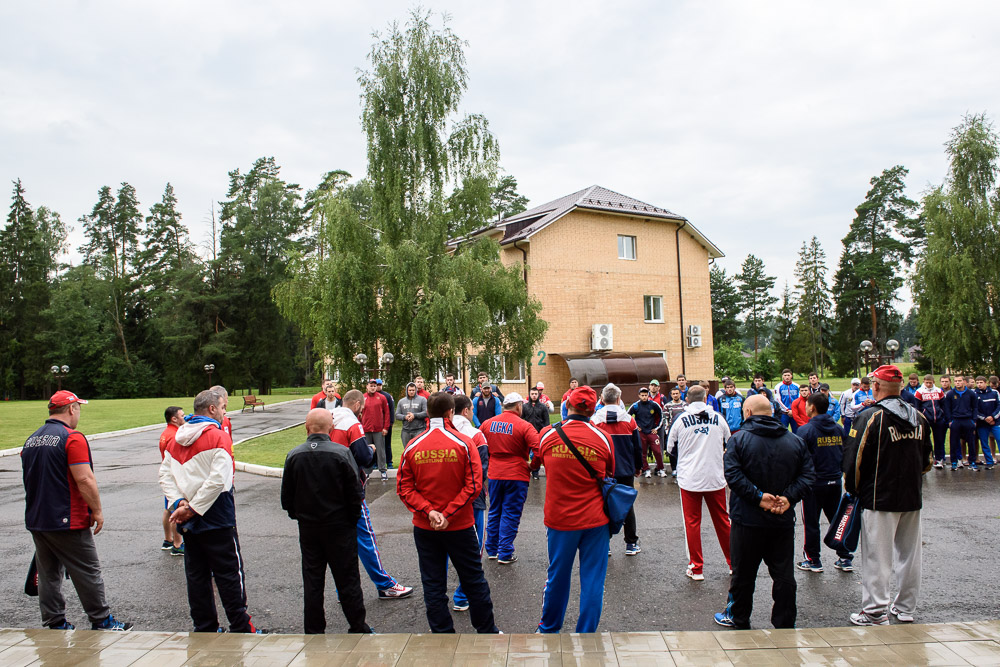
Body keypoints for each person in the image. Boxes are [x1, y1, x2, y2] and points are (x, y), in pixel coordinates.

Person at [21, 390, 133, 632]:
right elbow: (84, 479)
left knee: (48, 573)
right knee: (87, 570)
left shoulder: (31, 439)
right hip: (67, 517)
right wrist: (97, 510)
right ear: (71, 409)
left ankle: (55, 621)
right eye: (78, 408)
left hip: (37, 517)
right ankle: (102, 620)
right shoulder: (72, 438)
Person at [159, 388, 263, 633]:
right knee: (229, 573)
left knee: (197, 574)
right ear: (213, 409)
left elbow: (165, 473)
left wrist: (178, 503)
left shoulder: (175, 437)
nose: (225, 413)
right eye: (223, 408)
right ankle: (241, 627)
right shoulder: (217, 436)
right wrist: (193, 508)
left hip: (187, 514)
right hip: (216, 513)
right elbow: (219, 480)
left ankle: (204, 626)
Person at [397, 392, 499, 634]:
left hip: (425, 526)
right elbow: (474, 485)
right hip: (460, 526)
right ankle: (487, 631)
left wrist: (430, 511)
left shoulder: (412, 445)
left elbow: (404, 487)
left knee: (433, 584)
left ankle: (442, 634)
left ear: (427, 412)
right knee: (473, 580)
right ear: (450, 412)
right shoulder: (464, 442)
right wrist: (449, 513)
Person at [714, 395, 815, 630]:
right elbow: (808, 476)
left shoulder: (739, 441)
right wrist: (788, 497)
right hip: (781, 518)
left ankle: (738, 618)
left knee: (743, 574)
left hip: (747, 519)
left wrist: (759, 498)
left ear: (747, 413)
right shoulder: (794, 441)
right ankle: (785, 620)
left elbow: (733, 476)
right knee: (783, 574)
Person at [843, 365, 932, 626]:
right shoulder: (919, 417)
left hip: (879, 497)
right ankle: (905, 608)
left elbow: (854, 461)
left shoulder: (871, 417)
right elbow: (927, 459)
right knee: (910, 556)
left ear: (877, 386)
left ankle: (874, 611)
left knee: (876, 558)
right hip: (911, 497)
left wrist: (853, 490)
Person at [531, 386, 614, 633]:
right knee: (593, 581)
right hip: (596, 520)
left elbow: (537, 462)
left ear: (567, 406)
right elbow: (609, 474)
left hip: (560, 520)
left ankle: (548, 629)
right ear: (592, 410)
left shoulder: (548, 434)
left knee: (557, 576)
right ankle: (586, 634)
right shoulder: (602, 437)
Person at [281, 409, 372, 634]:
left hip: (310, 527)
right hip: (339, 525)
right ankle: (357, 626)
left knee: (312, 579)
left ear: (307, 427)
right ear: (331, 429)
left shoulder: (294, 455)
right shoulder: (341, 453)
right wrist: (351, 520)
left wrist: (300, 515)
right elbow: (355, 493)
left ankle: (313, 629)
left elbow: (287, 497)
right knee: (348, 578)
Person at [331, 390, 414, 600]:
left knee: (340, 543)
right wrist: (370, 449)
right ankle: (384, 584)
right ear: (358, 404)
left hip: (330, 489)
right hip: (350, 488)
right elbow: (363, 457)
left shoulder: (329, 419)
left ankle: (344, 590)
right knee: (365, 538)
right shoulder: (352, 423)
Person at [666, 385, 732, 581]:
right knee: (723, 521)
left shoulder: (680, 420)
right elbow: (730, 442)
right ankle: (733, 563)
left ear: (687, 399)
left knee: (692, 523)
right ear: (705, 399)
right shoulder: (718, 418)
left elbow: (670, 448)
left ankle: (696, 568)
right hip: (714, 477)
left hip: (690, 479)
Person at [795, 393, 853, 573]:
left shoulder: (805, 431)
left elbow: (799, 459)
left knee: (811, 523)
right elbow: (844, 453)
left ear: (812, 407)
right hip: (835, 481)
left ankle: (813, 560)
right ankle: (845, 557)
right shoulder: (838, 428)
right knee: (837, 521)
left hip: (813, 484)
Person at [480, 392, 540, 563]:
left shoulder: (487, 424)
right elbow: (539, 450)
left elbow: (478, 445)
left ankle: (492, 549)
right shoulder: (524, 426)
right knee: (510, 513)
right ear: (519, 406)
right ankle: (505, 552)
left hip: (495, 473)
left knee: (495, 510)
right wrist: (533, 466)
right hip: (517, 474)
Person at [592, 384, 643, 555]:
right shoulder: (629, 420)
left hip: (603, 472)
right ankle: (631, 543)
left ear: (602, 399)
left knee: (601, 506)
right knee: (627, 505)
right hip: (625, 469)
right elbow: (637, 447)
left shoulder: (594, 420)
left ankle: (604, 544)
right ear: (619, 399)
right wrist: (638, 467)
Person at [450, 394, 489, 612]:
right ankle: (462, 595)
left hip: (443, 501)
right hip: (472, 501)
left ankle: (436, 596)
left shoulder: (436, 433)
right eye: (472, 409)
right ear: (466, 411)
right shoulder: (475, 435)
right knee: (473, 549)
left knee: (442, 549)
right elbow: (481, 471)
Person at [159, 406, 185, 556]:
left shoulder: (165, 433)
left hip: (168, 475)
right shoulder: (175, 435)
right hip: (174, 477)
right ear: (174, 419)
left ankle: (168, 540)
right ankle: (177, 543)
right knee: (176, 510)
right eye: (182, 416)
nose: (184, 418)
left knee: (168, 509)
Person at [628, 387, 665, 478]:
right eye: (642, 395)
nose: (644, 397)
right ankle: (646, 469)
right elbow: (627, 416)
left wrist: (657, 428)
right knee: (642, 452)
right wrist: (636, 427)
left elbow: (661, 415)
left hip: (651, 432)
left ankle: (660, 468)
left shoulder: (654, 404)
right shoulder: (635, 405)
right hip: (641, 433)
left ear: (648, 395)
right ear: (639, 396)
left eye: (646, 395)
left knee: (657, 451)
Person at [945, 374, 978, 471]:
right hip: (956, 420)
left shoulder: (971, 394)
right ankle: (954, 462)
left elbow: (975, 407)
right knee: (954, 442)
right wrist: (950, 421)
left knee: (971, 442)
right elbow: (947, 408)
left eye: (959, 381)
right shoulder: (950, 394)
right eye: (956, 381)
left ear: (964, 381)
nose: (958, 383)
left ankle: (972, 462)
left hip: (968, 420)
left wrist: (974, 420)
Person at [914, 374, 948, 469]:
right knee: (925, 441)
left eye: (930, 383)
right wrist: (921, 418)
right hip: (926, 419)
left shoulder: (938, 391)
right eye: (927, 383)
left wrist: (943, 416)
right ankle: (926, 460)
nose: (928, 384)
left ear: (933, 382)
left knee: (939, 440)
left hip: (939, 419)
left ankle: (939, 459)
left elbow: (943, 405)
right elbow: (917, 407)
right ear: (924, 382)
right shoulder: (919, 392)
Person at [361, 379, 392, 481]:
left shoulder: (382, 398)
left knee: (380, 450)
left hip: (378, 429)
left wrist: (385, 427)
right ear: (367, 386)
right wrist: (360, 427)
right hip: (366, 428)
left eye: (375, 386)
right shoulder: (362, 398)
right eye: (371, 385)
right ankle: (366, 471)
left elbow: (387, 413)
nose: (373, 387)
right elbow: (358, 413)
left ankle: (383, 470)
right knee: (366, 451)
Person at [975, 376, 999, 470]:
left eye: (981, 382)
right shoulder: (974, 394)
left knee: (999, 439)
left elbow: (999, 406)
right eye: (977, 383)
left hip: (995, 422)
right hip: (982, 423)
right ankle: (989, 462)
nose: (979, 384)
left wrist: (993, 417)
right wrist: (985, 418)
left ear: (986, 382)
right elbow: (975, 409)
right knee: (984, 443)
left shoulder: (994, 392)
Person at [396, 382, 429, 450]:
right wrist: (405, 417)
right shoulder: (401, 401)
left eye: (413, 390)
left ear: (416, 390)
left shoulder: (422, 400)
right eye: (410, 390)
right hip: (406, 431)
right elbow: (397, 415)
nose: (411, 392)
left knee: (419, 450)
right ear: (407, 391)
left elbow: (426, 413)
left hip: (419, 430)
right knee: (407, 451)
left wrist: (414, 415)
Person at [663, 386, 687, 476]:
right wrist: (667, 430)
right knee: (672, 450)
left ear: (680, 394)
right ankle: (674, 468)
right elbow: (665, 419)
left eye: (677, 393)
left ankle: (682, 468)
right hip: (671, 432)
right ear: (671, 395)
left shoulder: (685, 405)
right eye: (673, 394)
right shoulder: (667, 406)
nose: (675, 395)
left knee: (682, 449)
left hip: (683, 432)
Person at [376, 380, 396, 468]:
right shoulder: (369, 396)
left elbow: (391, 409)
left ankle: (389, 462)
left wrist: (391, 422)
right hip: (376, 425)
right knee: (376, 444)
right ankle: (376, 462)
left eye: (380, 385)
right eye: (376, 385)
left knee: (387, 444)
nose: (378, 386)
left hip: (386, 424)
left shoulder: (387, 396)